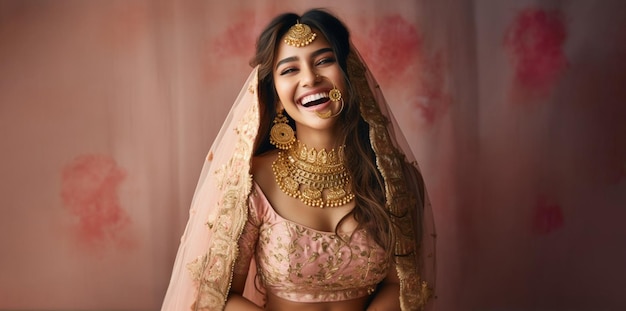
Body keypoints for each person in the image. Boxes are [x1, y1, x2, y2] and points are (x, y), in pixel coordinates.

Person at [161, 8, 436, 311]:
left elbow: (402, 283)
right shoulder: (250, 182)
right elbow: (219, 296)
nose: (310, 78)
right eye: (290, 70)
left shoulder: (395, 179)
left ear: (350, 74)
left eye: (324, 61)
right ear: (276, 96)